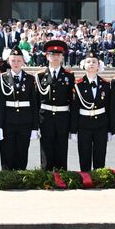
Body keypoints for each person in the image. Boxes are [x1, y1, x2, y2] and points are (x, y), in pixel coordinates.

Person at [0, 47, 38, 170]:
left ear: (23, 61)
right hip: (7, 121)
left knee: (22, 151)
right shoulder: (2, 78)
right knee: (6, 151)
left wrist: (35, 127)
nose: (16, 63)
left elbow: (34, 104)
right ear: (9, 61)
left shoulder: (30, 79)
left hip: (25, 121)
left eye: (19, 60)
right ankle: (7, 178)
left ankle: (20, 178)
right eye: (13, 60)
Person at [36, 39, 74, 170]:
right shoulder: (40, 76)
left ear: (62, 57)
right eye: (52, 54)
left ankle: (61, 177)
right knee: (46, 149)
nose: (56, 57)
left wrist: (72, 125)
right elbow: (36, 101)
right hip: (45, 117)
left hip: (63, 117)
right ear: (47, 56)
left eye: (58, 54)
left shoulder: (69, 76)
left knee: (62, 148)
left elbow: (72, 101)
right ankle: (46, 178)